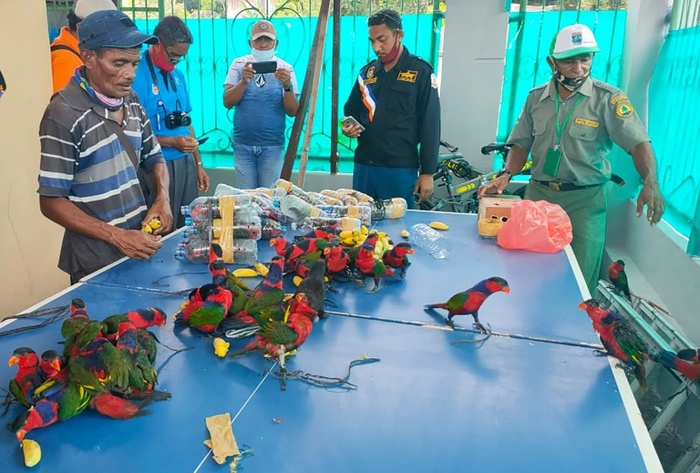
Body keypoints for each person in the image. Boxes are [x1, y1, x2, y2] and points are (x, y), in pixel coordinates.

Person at [478, 24, 664, 295]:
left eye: (585, 59)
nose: (578, 68)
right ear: (551, 62)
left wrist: (651, 180)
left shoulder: (608, 99)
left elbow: (638, 143)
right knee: (528, 270)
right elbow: (520, 144)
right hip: (539, 197)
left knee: (579, 277)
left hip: (585, 201)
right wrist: (506, 174)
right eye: (569, 61)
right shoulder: (536, 99)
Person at [37, 10, 173, 284]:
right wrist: (117, 236)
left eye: (134, 64)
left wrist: (163, 199)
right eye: (119, 63)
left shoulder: (131, 100)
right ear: (88, 58)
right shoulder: (64, 113)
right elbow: (51, 201)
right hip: (94, 261)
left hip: (139, 247)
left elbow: (154, 157)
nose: (130, 74)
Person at [341, 9, 440, 208]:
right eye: (372, 41)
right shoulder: (366, 73)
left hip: (399, 169)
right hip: (365, 166)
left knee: (398, 224)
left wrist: (428, 172)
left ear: (399, 35)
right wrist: (348, 127)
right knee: (361, 221)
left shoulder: (420, 72)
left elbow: (431, 125)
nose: (377, 48)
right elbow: (350, 110)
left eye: (382, 40)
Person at [132, 16, 210, 228]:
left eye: (181, 57)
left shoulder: (178, 75)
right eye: (173, 56)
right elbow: (132, 132)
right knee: (160, 227)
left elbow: (187, 123)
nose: (176, 62)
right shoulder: (136, 76)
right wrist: (171, 142)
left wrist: (198, 164)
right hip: (155, 166)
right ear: (157, 44)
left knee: (189, 226)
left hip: (185, 163)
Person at [222, 20, 300, 189]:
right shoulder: (239, 64)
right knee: (247, 197)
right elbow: (227, 101)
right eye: (258, 40)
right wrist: (243, 81)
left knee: (269, 197)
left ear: (275, 43)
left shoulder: (285, 68)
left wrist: (287, 86)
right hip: (243, 145)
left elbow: (293, 111)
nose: (263, 44)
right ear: (250, 42)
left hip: (273, 146)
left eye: (267, 40)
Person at [49, 0, 117, 93]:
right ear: (80, 28)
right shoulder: (67, 60)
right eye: (102, 31)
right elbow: (68, 101)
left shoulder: (74, 52)